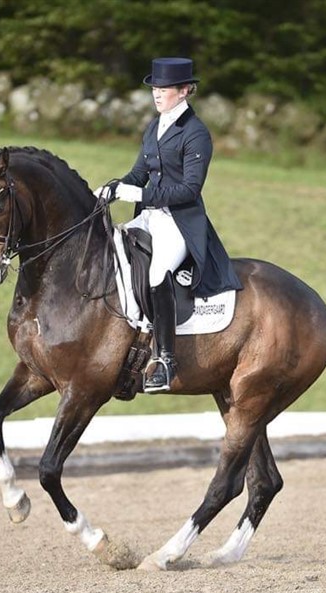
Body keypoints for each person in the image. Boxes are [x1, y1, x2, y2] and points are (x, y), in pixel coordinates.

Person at [95, 57, 241, 393]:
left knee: (158, 273)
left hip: (179, 220)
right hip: (149, 215)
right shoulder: (154, 126)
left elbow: (190, 189)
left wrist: (138, 191)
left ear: (185, 91)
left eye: (164, 89)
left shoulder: (196, 133)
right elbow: (138, 173)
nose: (156, 95)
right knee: (116, 253)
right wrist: (112, 187)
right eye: (154, 89)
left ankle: (164, 360)